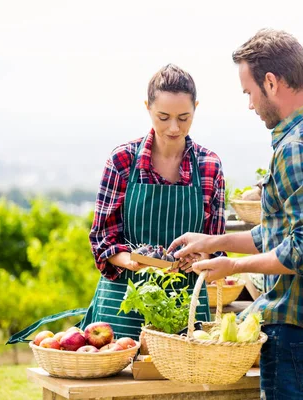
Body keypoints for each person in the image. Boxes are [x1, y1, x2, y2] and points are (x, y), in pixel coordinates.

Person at [169, 29, 303, 399]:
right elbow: (286, 233)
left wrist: (235, 267)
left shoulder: (295, 149)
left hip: (299, 333)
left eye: (249, 92)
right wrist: (217, 242)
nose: (250, 104)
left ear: (271, 83)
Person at [85, 64, 226, 341]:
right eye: (163, 117)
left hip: (185, 306)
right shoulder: (122, 161)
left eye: (184, 117)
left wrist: (202, 257)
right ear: (147, 108)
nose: (174, 127)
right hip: (123, 303)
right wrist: (132, 261)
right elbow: (103, 238)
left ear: (196, 108)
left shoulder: (209, 166)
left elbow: (217, 244)